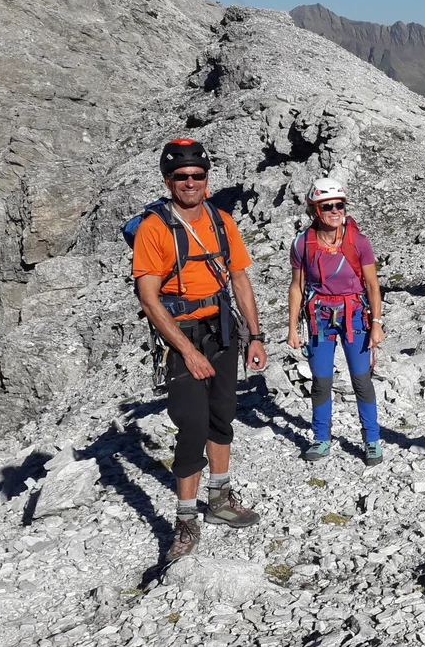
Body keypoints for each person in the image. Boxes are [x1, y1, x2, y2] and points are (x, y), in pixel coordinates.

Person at [132, 139, 266, 562]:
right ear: (167, 181)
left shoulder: (222, 221)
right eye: (181, 177)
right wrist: (187, 351)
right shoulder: (155, 228)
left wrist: (256, 336)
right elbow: (149, 298)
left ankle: (220, 500)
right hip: (182, 334)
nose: (190, 182)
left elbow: (240, 280)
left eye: (197, 175)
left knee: (222, 414)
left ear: (207, 179)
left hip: (222, 329)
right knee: (190, 425)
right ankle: (185, 520)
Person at [287, 178, 385, 465]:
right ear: (315, 210)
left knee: (361, 380)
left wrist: (376, 322)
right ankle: (320, 439)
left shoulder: (359, 242)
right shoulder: (302, 244)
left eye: (339, 205)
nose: (335, 211)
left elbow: (372, 284)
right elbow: (296, 286)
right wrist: (292, 327)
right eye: (327, 206)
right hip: (319, 317)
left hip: (354, 315)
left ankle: (372, 440)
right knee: (321, 381)